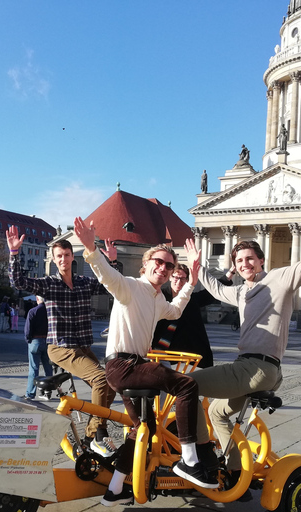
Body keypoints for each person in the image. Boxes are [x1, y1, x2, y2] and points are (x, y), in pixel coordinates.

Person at [185, 202, 301, 473]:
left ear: (261, 260)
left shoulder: (278, 279)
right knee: (216, 413)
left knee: (186, 385)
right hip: (253, 367)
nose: (244, 264)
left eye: (250, 258)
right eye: (239, 261)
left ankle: (202, 455)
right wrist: (197, 265)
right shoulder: (240, 293)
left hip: (257, 368)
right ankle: (237, 470)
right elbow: (215, 289)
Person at [72, 216, 218, 507]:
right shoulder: (130, 287)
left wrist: (191, 281)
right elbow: (106, 276)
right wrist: (91, 249)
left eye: (168, 266)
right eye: (159, 262)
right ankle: (189, 460)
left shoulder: (156, 299)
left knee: (143, 430)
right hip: (125, 366)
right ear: (147, 263)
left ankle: (115, 490)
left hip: (131, 368)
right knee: (187, 386)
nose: (163, 269)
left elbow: (175, 311)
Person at [7, 226, 118, 457]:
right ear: (55, 260)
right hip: (60, 347)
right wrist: (14, 254)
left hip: (82, 346)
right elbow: (19, 282)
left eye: (67, 255)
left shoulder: (84, 283)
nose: (64, 259)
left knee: (111, 384)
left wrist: (112, 262)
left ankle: (89, 436)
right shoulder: (49, 284)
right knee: (99, 378)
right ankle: (99, 435)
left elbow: (110, 285)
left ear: (72, 257)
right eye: (59, 256)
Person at [152, 263, 233, 368]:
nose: (179, 281)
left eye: (182, 279)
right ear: (170, 278)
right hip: (163, 349)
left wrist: (231, 272)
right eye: (176, 277)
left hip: (190, 349)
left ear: (187, 280)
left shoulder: (191, 299)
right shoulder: (159, 296)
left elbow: (213, 292)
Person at [24, 296, 53, 400]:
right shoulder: (51, 312)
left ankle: (30, 393)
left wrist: (28, 340)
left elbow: (28, 329)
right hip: (48, 341)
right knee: (48, 368)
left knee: (34, 369)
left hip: (35, 341)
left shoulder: (33, 311)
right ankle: (48, 391)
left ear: (37, 299)